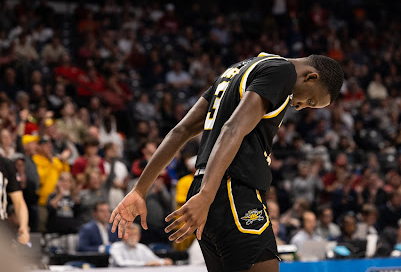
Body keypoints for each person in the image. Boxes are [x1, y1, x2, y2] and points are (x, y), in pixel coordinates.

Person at [110, 53, 343, 272]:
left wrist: (140, 190)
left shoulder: (237, 69)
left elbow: (181, 131)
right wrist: (207, 195)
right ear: (311, 77)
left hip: (207, 189)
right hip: (232, 192)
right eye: (310, 100)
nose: (301, 105)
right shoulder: (283, 72)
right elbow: (233, 128)